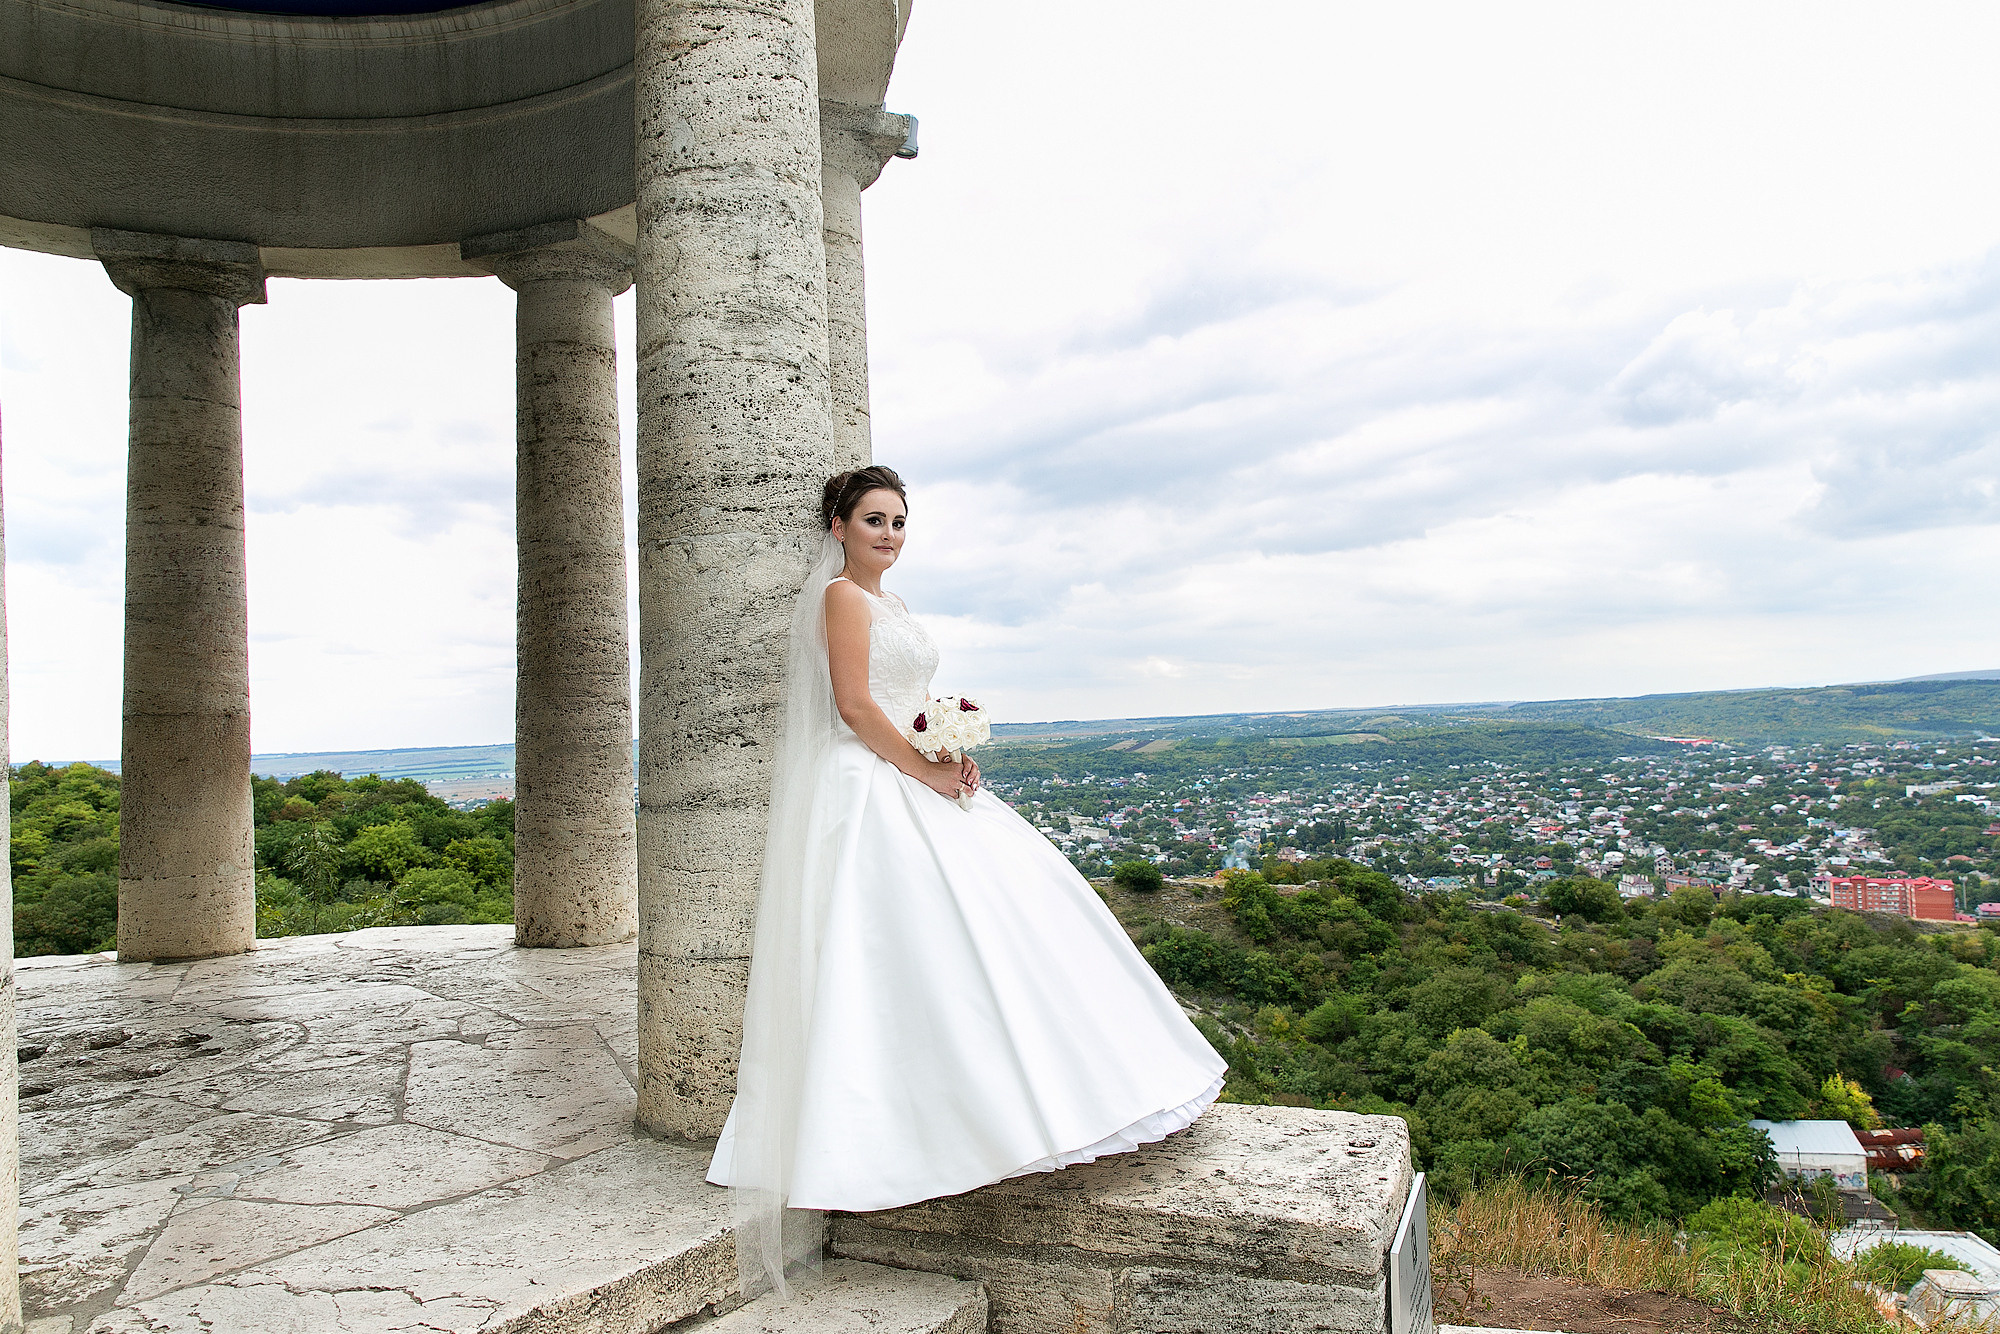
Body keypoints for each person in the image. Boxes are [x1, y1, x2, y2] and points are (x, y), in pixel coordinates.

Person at [707, 465, 1226, 1294]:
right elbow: (854, 706)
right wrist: (923, 767)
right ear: (838, 527)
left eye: (900, 522)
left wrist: (947, 746)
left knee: (998, 925)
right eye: (874, 520)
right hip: (873, 780)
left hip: (915, 768)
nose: (889, 534)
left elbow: (906, 698)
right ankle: (899, 1129)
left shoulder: (895, 608)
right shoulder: (843, 598)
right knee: (890, 946)